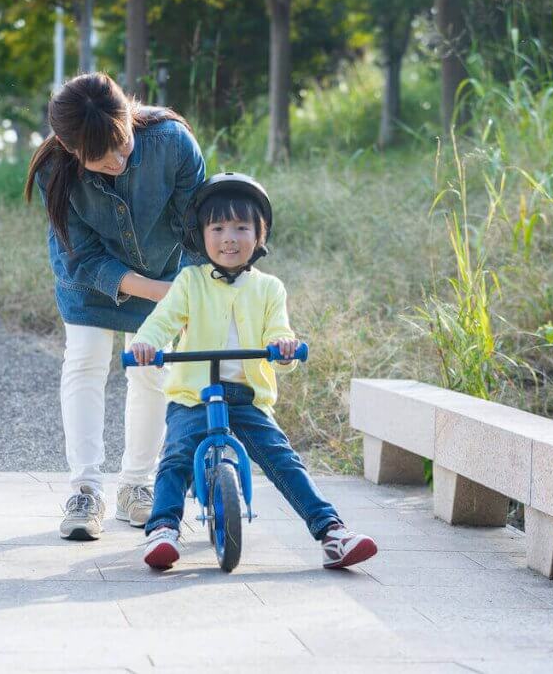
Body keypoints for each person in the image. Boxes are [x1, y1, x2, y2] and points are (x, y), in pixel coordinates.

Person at [127, 172, 379, 570]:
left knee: (283, 460)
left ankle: (331, 531)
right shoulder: (190, 281)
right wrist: (147, 343)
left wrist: (283, 346)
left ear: (260, 235)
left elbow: (278, 328)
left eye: (242, 227)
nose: (230, 237)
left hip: (246, 396)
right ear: (201, 235)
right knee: (175, 456)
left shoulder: (269, 288)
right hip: (194, 396)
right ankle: (162, 529)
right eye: (218, 227)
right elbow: (163, 321)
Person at [23, 72, 206, 540]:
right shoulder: (53, 171)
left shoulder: (173, 142)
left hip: (167, 272)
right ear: (68, 146)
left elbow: (197, 230)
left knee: (150, 370)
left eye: (123, 145)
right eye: (101, 160)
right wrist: (161, 294)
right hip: (91, 283)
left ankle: (136, 487)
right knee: (85, 361)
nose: (119, 161)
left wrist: (187, 293)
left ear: (129, 116)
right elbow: (80, 258)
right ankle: (85, 490)